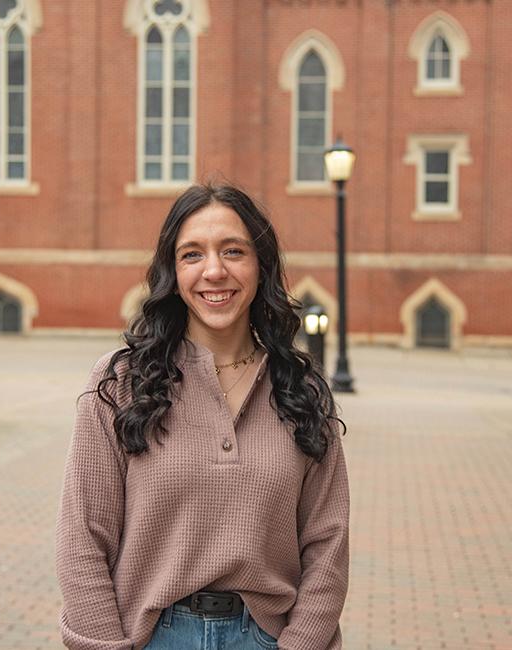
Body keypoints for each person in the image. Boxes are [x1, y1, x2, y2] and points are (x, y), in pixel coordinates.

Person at [55, 183, 350, 649]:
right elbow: (83, 538)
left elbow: (327, 544)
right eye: (192, 254)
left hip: (267, 639)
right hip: (152, 637)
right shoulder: (122, 383)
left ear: (261, 266)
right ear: (173, 272)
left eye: (233, 251)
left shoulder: (303, 389)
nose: (214, 271)